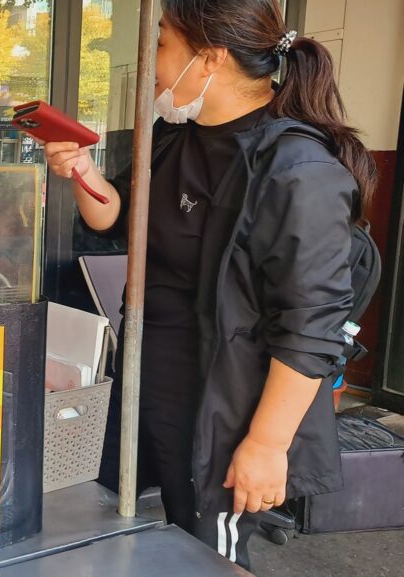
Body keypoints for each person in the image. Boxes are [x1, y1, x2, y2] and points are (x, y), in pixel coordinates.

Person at [44, 0, 376, 569]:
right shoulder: (174, 134)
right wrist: (81, 170)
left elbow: (310, 330)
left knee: (207, 556)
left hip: (224, 406)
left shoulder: (297, 169)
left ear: (210, 58)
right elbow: (116, 217)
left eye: (162, 44)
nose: (149, 62)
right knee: (112, 524)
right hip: (146, 378)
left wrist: (267, 446)